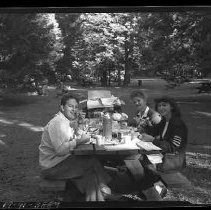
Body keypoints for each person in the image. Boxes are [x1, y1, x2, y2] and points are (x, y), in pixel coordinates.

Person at [39, 93, 112, 201]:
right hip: (52, 167)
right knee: (92, 162)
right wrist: (79, 141)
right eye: (70, 106)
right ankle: (106, 188)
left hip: (60, 161)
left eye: (75, 107)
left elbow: (70, 137)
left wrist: (80, 126)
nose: (74, 109)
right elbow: (60, 150)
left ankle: (99, 195)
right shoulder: (57, 123)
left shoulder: (64, 121)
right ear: (62, 107)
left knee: (90, 174)